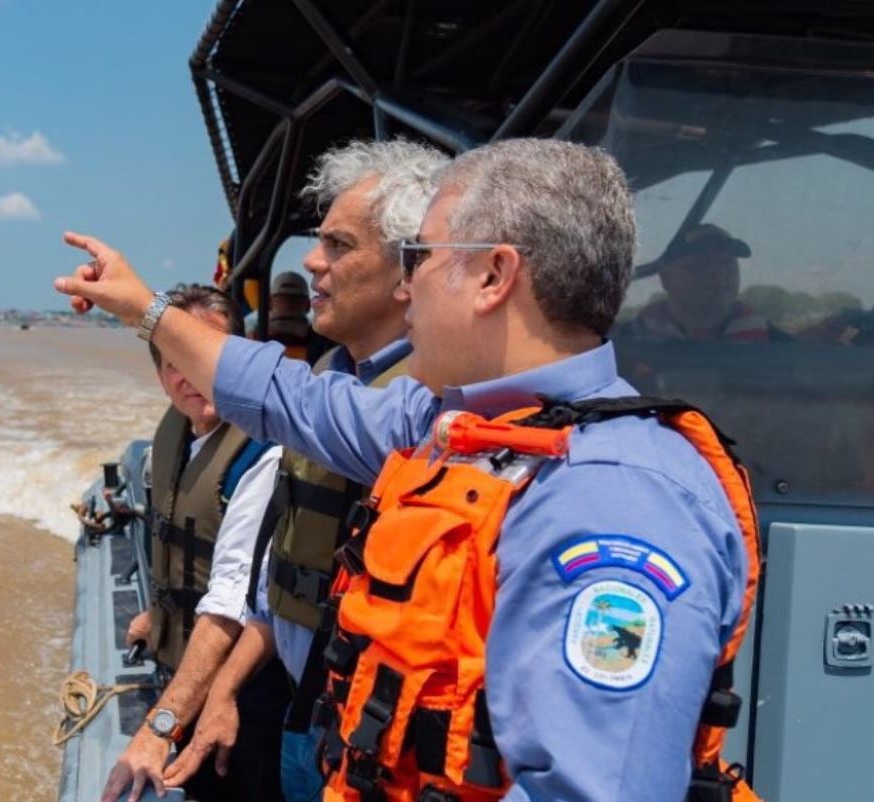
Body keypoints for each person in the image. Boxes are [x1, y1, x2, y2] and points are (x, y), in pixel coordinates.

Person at [55, 138, 760, 802]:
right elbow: (284, 396)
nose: (406, 280)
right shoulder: (448, 428)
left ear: (492, 275)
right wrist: (141, 308)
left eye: (420, 254)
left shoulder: (615, 500)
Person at [162, 138, 449, 802]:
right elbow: (279, 564)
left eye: (338, 246)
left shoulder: (426, 409)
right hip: (307, 706)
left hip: (371, 734)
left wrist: (147, 313)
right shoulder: (330, 375)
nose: (313, 262)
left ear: (409, 271)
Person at [110, 283, 288, 802]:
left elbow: (234, 600)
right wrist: (159, 616)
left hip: (240, 693)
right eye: (173, 361)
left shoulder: (262, 455)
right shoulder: (178, 433)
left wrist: (156, 729)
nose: (190, 374)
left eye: (205, 355)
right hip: (178, 660)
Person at [624, 223, 775, 341]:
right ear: (666, 278)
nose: (718, 274)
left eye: (726, 263)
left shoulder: (778, 347)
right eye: (701, 264)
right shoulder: (624, 344)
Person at [269, 270, 314, 360]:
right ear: (309, 305)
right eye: (285, 300)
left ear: (269, 303)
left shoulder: (252, 338)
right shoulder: (327, 342)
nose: (288, 304)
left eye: (293, 300)